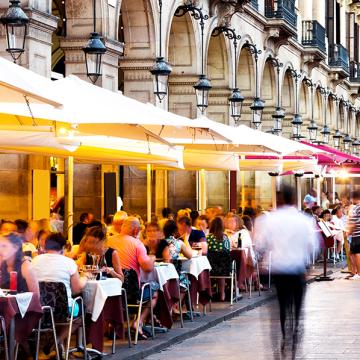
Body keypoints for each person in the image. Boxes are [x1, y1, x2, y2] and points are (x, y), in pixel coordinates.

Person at [254, 186, 318, 349]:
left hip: (279, 268)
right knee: (298, 302)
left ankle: (283, 334)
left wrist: (260, 261)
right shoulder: (304, 219)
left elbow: (260, 244)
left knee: (282, 304)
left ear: (279, 199)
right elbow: (314, 245)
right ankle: (296, 327)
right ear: (294, 199)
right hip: (297, 268)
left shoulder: (269, 219)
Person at [32, 233, 88, 351]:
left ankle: (59, 346)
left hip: (40, 308)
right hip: (63, 309)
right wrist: (85, 278)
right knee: (81, 312)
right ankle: (56, 340)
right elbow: (77, 289)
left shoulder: (35, 261)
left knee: (59, 314)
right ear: (63, 247)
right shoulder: (69, 263)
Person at [107, 217, 157, 339]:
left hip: (109, 291)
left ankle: (110, 326)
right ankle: (138, 322)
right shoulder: (137, 244)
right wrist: (152, 258)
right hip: (131, 293)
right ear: (136, 231)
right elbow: (147, 268)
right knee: (154, 291)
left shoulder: (108, 241)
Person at [207, 217, 231, 301]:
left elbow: (206, 251)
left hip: (211, 268)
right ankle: (222, 294)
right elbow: (228, 250)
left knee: (207, 270)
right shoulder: (225, 237)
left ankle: (209, 294)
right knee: (221, 275)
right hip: (225, 269)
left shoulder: (208, 238)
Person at [347, 191, 360, 280]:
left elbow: (354, 222)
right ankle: (354, 272)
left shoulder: (357, 208)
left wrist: (349, 231)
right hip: (356, 234)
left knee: (356, 254)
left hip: (357, 234)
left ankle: (358, 273)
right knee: (352, 253)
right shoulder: (356, 207)